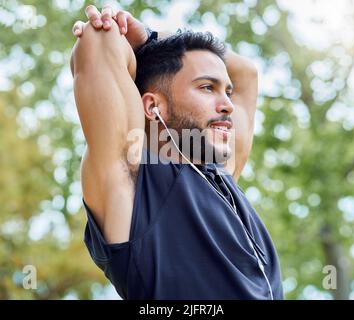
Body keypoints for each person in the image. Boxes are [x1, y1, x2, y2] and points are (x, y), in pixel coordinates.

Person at [70, 4, 284, 300]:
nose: (228, 105)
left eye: (227, 92)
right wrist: (115, 27)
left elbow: (246, 72)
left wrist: (152, 38)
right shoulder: (134, 179)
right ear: (152, 106)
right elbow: (100, 44)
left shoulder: (222, 172)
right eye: (207, 87)